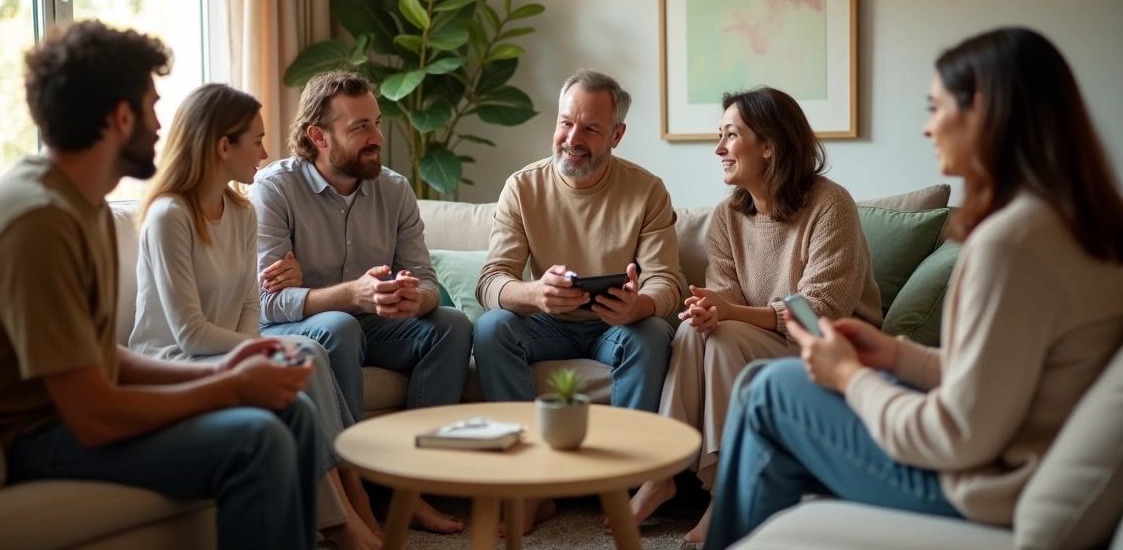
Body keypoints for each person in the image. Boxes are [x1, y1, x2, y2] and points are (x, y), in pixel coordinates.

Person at [703, 28, 1123, 549]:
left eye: (935, 107)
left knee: (768, 391)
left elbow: (955, 433)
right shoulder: (1075, 227)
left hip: (985, 487)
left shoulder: (1011, 245)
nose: (927, 128)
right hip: (999, 457)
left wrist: (851, 378)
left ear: (985, 112)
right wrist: (897, 356)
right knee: (760, 387)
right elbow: (1002, 378)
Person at [0, 20, 326, 549]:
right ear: (120, 117)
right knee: (258, 440)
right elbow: (91, 415)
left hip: (63, 416)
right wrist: (227, 388)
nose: (161, 124)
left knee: (291, 412)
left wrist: (229, 365)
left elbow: (102, 358)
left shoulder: (75, 201)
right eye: (152, 107)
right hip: (32, 437)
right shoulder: (37, 220)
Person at [128, 83, 382, 549]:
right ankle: (345, 513)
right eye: (257, 140)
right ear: (223, 145)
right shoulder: (170, 215)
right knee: (302, 349)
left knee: (301, 362)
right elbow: (187, 333)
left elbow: (249, 305)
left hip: (224, 352)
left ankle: (350, 504)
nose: (266, 152)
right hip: (171, 359)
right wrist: (262, 350)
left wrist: (255, 354)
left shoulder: (242, 211)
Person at [624, 87, 882, 544]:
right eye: (719, 135)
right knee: (691, 332)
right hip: (766, 338)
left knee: (725, 337)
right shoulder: (728, 216)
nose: (719, 149)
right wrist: (708, 310)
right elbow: (722, 295)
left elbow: (821, 309)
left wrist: (728, 313)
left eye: (730, 135)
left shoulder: (830, 206)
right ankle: (662, 473)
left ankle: (726, 498)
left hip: (829, 346)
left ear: (770, 145)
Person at [250, 68, 470, 535]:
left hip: (373, 324)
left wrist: (415, 298)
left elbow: (427, 280)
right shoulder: (275, 189)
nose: (377, 137)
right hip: (299, 331)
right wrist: (352, 295)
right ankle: (355, 496)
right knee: (339, 325)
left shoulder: (394, 190)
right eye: (360, 127)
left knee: (451, 324)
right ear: (318, 136)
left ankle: (409, 489)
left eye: (376, 122)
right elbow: (264, 304)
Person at [473, 69, 685, 535]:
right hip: (548, 324)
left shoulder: (647, 190)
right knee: (491, 329)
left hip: (618, 329)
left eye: (590, 128)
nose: (573, 138)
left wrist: (640, 307)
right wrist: (533, 293)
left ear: (617, 134)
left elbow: (667, 282)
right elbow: (491, 282)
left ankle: (626, 481)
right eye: (566, 123)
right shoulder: (522, 187)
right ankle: (526, 486)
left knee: (651, 333)